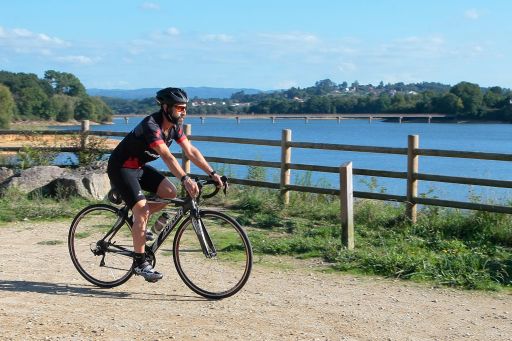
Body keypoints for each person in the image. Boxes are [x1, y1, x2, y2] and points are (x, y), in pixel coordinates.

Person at [107, 87, 225, 282]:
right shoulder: (151, 126)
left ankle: (147, 231)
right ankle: (140, 263)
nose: (184, 112)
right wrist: (185, 178)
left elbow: (191, 151)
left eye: (185, 108)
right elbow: (167, 156)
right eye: (179, 108)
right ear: (165, 107)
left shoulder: (174, 127)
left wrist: (212, 173)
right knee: (143, 212)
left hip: (139, 167)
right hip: (121, 168)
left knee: (170, 193)